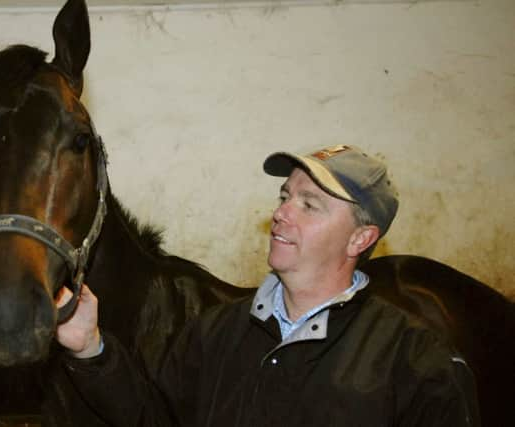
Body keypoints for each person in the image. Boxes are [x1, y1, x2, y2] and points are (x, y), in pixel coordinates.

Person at [55, 145, 480, 426]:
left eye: (309, 204)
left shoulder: (420, 364)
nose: (282, 213)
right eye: (284, 196)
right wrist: (92, 348)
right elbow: (154, 418)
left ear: (359, 239)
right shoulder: (214, 333)